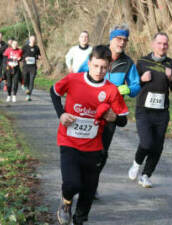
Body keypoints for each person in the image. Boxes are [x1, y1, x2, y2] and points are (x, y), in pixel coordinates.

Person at [50, 45, 128, 225]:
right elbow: (54, 92)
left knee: (88, 190)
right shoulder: (73, 79)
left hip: (94, 146)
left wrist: (114, 118)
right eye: (95, 66)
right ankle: (66, 202)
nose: (99, 71)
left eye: (103, 67)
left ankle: (79, 220)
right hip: (68, 141)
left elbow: (123, 119)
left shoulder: (111, 90)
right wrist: (61, 113)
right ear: (89, 63)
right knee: (72, 184)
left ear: (108, 67)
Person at [78, 24, 140, 197]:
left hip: (110, 114)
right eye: (119, 39)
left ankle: (92, 184)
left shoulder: (127, 63)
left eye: (125, 40)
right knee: (85, 148)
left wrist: (124, 90)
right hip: (89, 110)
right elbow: (80, 73)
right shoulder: (98, 54)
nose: (122, 43)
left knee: (102, 152)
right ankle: (81, 178)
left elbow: (136, 86)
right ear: (111, 39)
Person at [128, 32, 172, 188]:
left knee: (158, 146)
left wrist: (171, 78)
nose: (162, 46)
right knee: (146, 143)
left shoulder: (171, 64)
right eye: (159, 43)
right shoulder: (142, 62)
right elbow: (133, 86)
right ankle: (137, 163)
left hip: (162, 112)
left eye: (165, 44)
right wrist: (141, 80)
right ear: (153, 44)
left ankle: (145, 175)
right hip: (144, 110)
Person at [22, 35, 41, 101]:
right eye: (31, 39)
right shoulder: (25, 47)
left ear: (35, 40)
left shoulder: (36, 48)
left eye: (34, 39)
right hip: (25, 67)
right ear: (29, 40)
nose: (33, 41)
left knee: (31, 81)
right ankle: (25, 86)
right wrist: (25, 58)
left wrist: (38, 57)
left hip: (33, 67)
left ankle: (28, 95)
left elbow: (38, 55)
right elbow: (21, 56)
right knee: (25, 79)